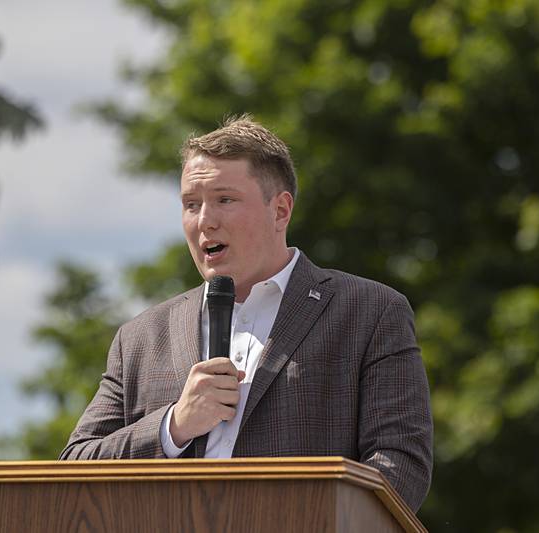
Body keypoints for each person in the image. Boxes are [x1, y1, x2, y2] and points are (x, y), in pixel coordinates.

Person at [60, 115, 433, 512]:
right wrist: (174, 426)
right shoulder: (141, 337)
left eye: (225, 199)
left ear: (280, 211)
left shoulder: (369, 312)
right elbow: (74, 469)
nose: (205, 220)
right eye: (191, 204)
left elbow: (400, 464)